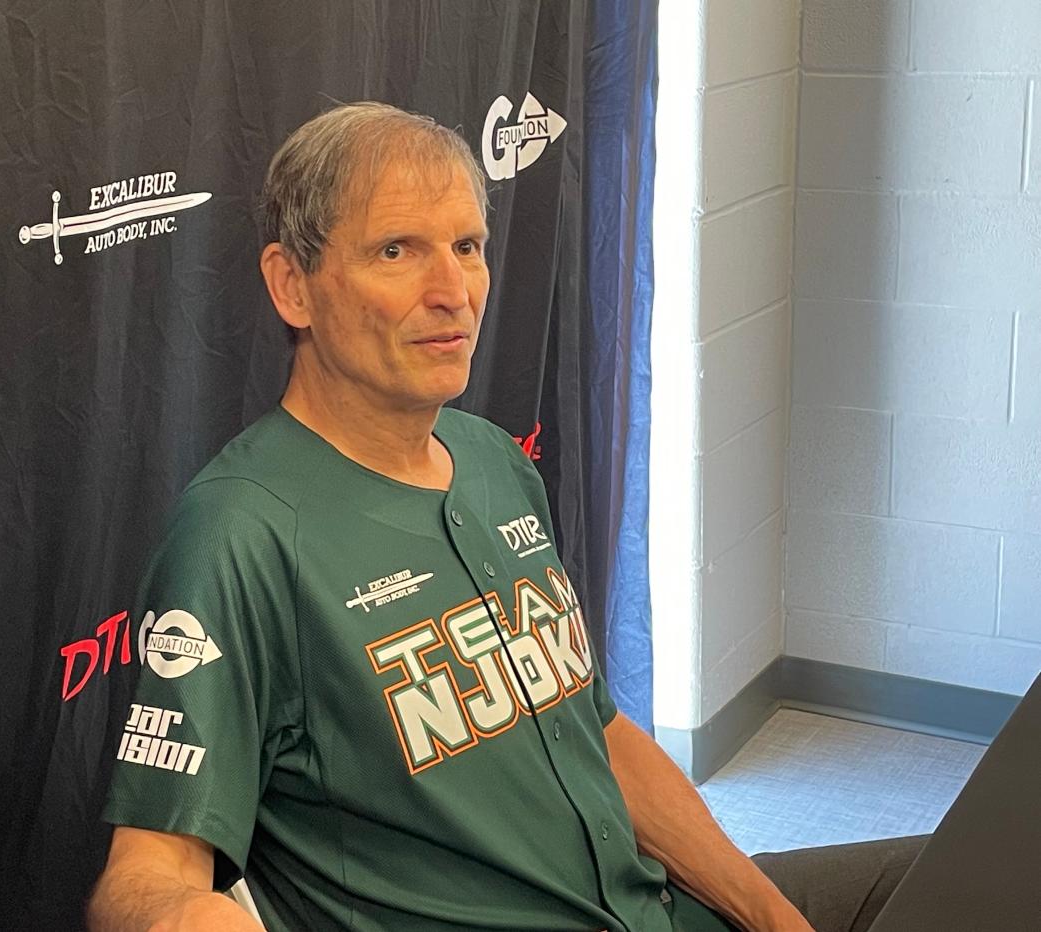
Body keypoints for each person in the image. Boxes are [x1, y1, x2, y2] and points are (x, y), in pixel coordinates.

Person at [87, 102, 923, 932]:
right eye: (396, 250)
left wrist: (772, 918)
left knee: (967, 864)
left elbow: (596, 730)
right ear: (292, 286)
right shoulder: (240, 536)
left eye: (467, 248)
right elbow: (148, 873)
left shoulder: (495, 460)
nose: (452, 292)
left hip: (647, 908)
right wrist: (176, 920)